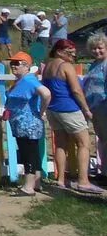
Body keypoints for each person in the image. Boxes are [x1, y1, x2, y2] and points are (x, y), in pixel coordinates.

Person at [41, 40, 102, 194]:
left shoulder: (48, 66)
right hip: (69, 108)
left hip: (53, 109)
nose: (73, 55)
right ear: (60, 51)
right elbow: (75, 90)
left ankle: (60, 179)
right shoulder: (65, 66)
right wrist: (86, 109)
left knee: (61, 144)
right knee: (84, 143)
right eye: (70, 51)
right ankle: (83, 181)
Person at [3, 52, 50, 196]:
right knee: (32, 153)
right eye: (12, 63)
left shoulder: (29, 80)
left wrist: (42, 111)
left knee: (28, 154)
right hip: (22, 124)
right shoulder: (20, 81)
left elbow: (46, 94)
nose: (13, 66)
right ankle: (36, 183)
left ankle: (28, 187)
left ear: (26, 66)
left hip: (28, 124)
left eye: (17, 63)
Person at [81, 32, 107, 178]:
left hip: (104, 105)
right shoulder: (93, 65)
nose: (97, 51)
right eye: (94, 48)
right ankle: (103, 171)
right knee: (102, 140)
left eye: (100, 48)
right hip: (94, 108)